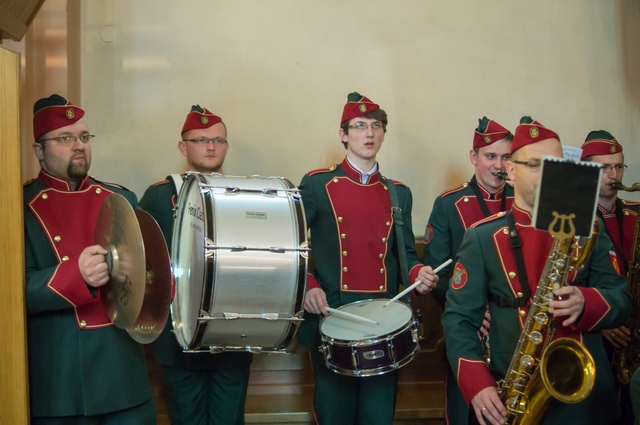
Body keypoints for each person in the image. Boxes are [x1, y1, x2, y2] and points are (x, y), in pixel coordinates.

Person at [441, 117, 631, 425]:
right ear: (511, 170)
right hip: (516, 389)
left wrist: (586, 302)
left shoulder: (588, 225)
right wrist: (477, 384)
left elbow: (620, 299)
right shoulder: (482, 236)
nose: (547, 175)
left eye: (554, 165)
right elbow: (459, 319)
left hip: (586, 392)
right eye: (535, 165)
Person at [297, 92, 439, 425]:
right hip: (332, 313)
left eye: (376, 126)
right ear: (344, 134)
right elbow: (293, 244)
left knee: (378, 415)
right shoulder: (317, 184)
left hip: (384, 319)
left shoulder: (398, 192)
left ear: (384, 134)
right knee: (335, 413)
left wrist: (419, 273)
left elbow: (405, 252)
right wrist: (308, 285)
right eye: (359, 126)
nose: (369, 133)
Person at [24, 94, 155, 423]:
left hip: (123, 376)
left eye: (84, 137)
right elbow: (14, 291)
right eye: (65, 138)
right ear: (39, 150)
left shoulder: (121, 198)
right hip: (60, 382)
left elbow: (154, 277)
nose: (79, 145)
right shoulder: (18, 207)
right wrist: (76, 275)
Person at [140, 105, 252, 425]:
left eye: (218, 140)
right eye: (201, 140)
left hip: (232, 337)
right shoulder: (159, 196)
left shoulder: (244, 194)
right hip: (178, 341)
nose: (211, 147)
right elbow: (142, 262)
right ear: (183, 146)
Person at [423, 117, 513, 425]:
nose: (498, 165)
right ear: (474, 157)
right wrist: (473, 314)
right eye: (491, 156)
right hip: (470, 331)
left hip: (514, 331)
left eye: (506, 157)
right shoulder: (448, 204)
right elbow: (437, 275)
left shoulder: (524, 201)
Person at [581, 130, 640, 424]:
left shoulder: (635, 214)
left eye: (619, 166)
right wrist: (601, 322)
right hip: (595, 337)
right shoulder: (573, 219)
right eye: (605, 167)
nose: (614, 175)